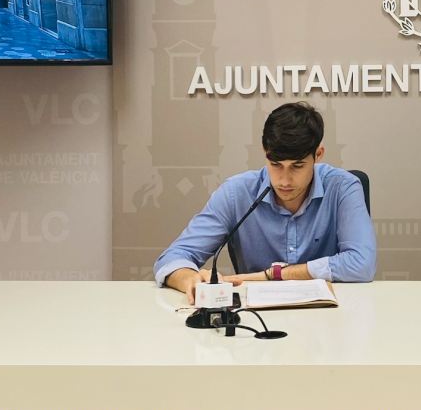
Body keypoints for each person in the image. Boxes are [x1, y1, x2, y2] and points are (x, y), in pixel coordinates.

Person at [155, 102, 376, 304]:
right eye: (276, 164)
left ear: (318, 155)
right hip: (254, 321)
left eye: (297, 166)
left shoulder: (343, 187)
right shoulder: (236, 193)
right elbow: (172, 258)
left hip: (329, 320)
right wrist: (189, 278)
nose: (284, 180)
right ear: (265, 153)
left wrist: (274, 275)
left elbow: (361, 264)